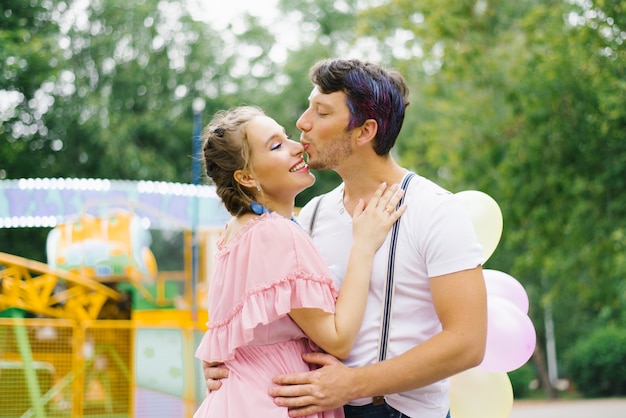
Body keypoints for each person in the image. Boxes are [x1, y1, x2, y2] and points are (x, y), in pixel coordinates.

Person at [204, 59, 488, 418]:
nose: (302, 122)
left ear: (364, 131)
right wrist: (232, 359)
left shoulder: (435, 210)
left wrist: (353, 384)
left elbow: (468, 343)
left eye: (321, 112)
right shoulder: (310, 215)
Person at [193, 105, 406, 418]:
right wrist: (363, 245)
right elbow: (338, 339)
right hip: (270, 404)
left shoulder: (236, 232)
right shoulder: (276, 233)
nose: (298, 147)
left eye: (287, 137)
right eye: (276, 145)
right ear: (246, 176)